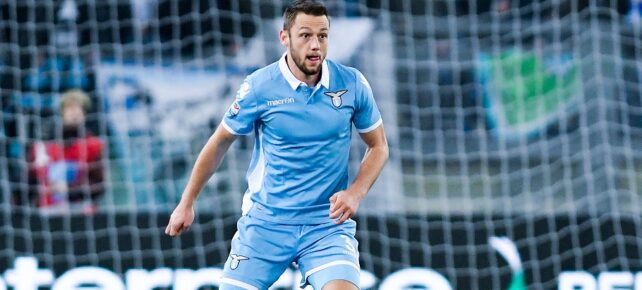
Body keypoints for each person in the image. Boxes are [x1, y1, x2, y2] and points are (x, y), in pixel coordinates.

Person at [165, 1, 389, 289]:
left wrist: (356, 193)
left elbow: (379, 146)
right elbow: (220, 142)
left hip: (326, 225)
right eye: (305, 35)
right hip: (266, 223)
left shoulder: (352, 83)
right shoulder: (259, 87)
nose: (315, 45)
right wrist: (187, 203)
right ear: (285, 38)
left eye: (322, 36)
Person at [28, 89, 104, 215]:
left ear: (85, 114)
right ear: (62, 112)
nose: (75, 113)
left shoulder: (94, 145)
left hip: (81, 210)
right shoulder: (42, 146)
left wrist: (69, 190)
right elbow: (28, 180)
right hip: (48, 211)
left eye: (79, 109)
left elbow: (99, 185)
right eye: (70, 108)